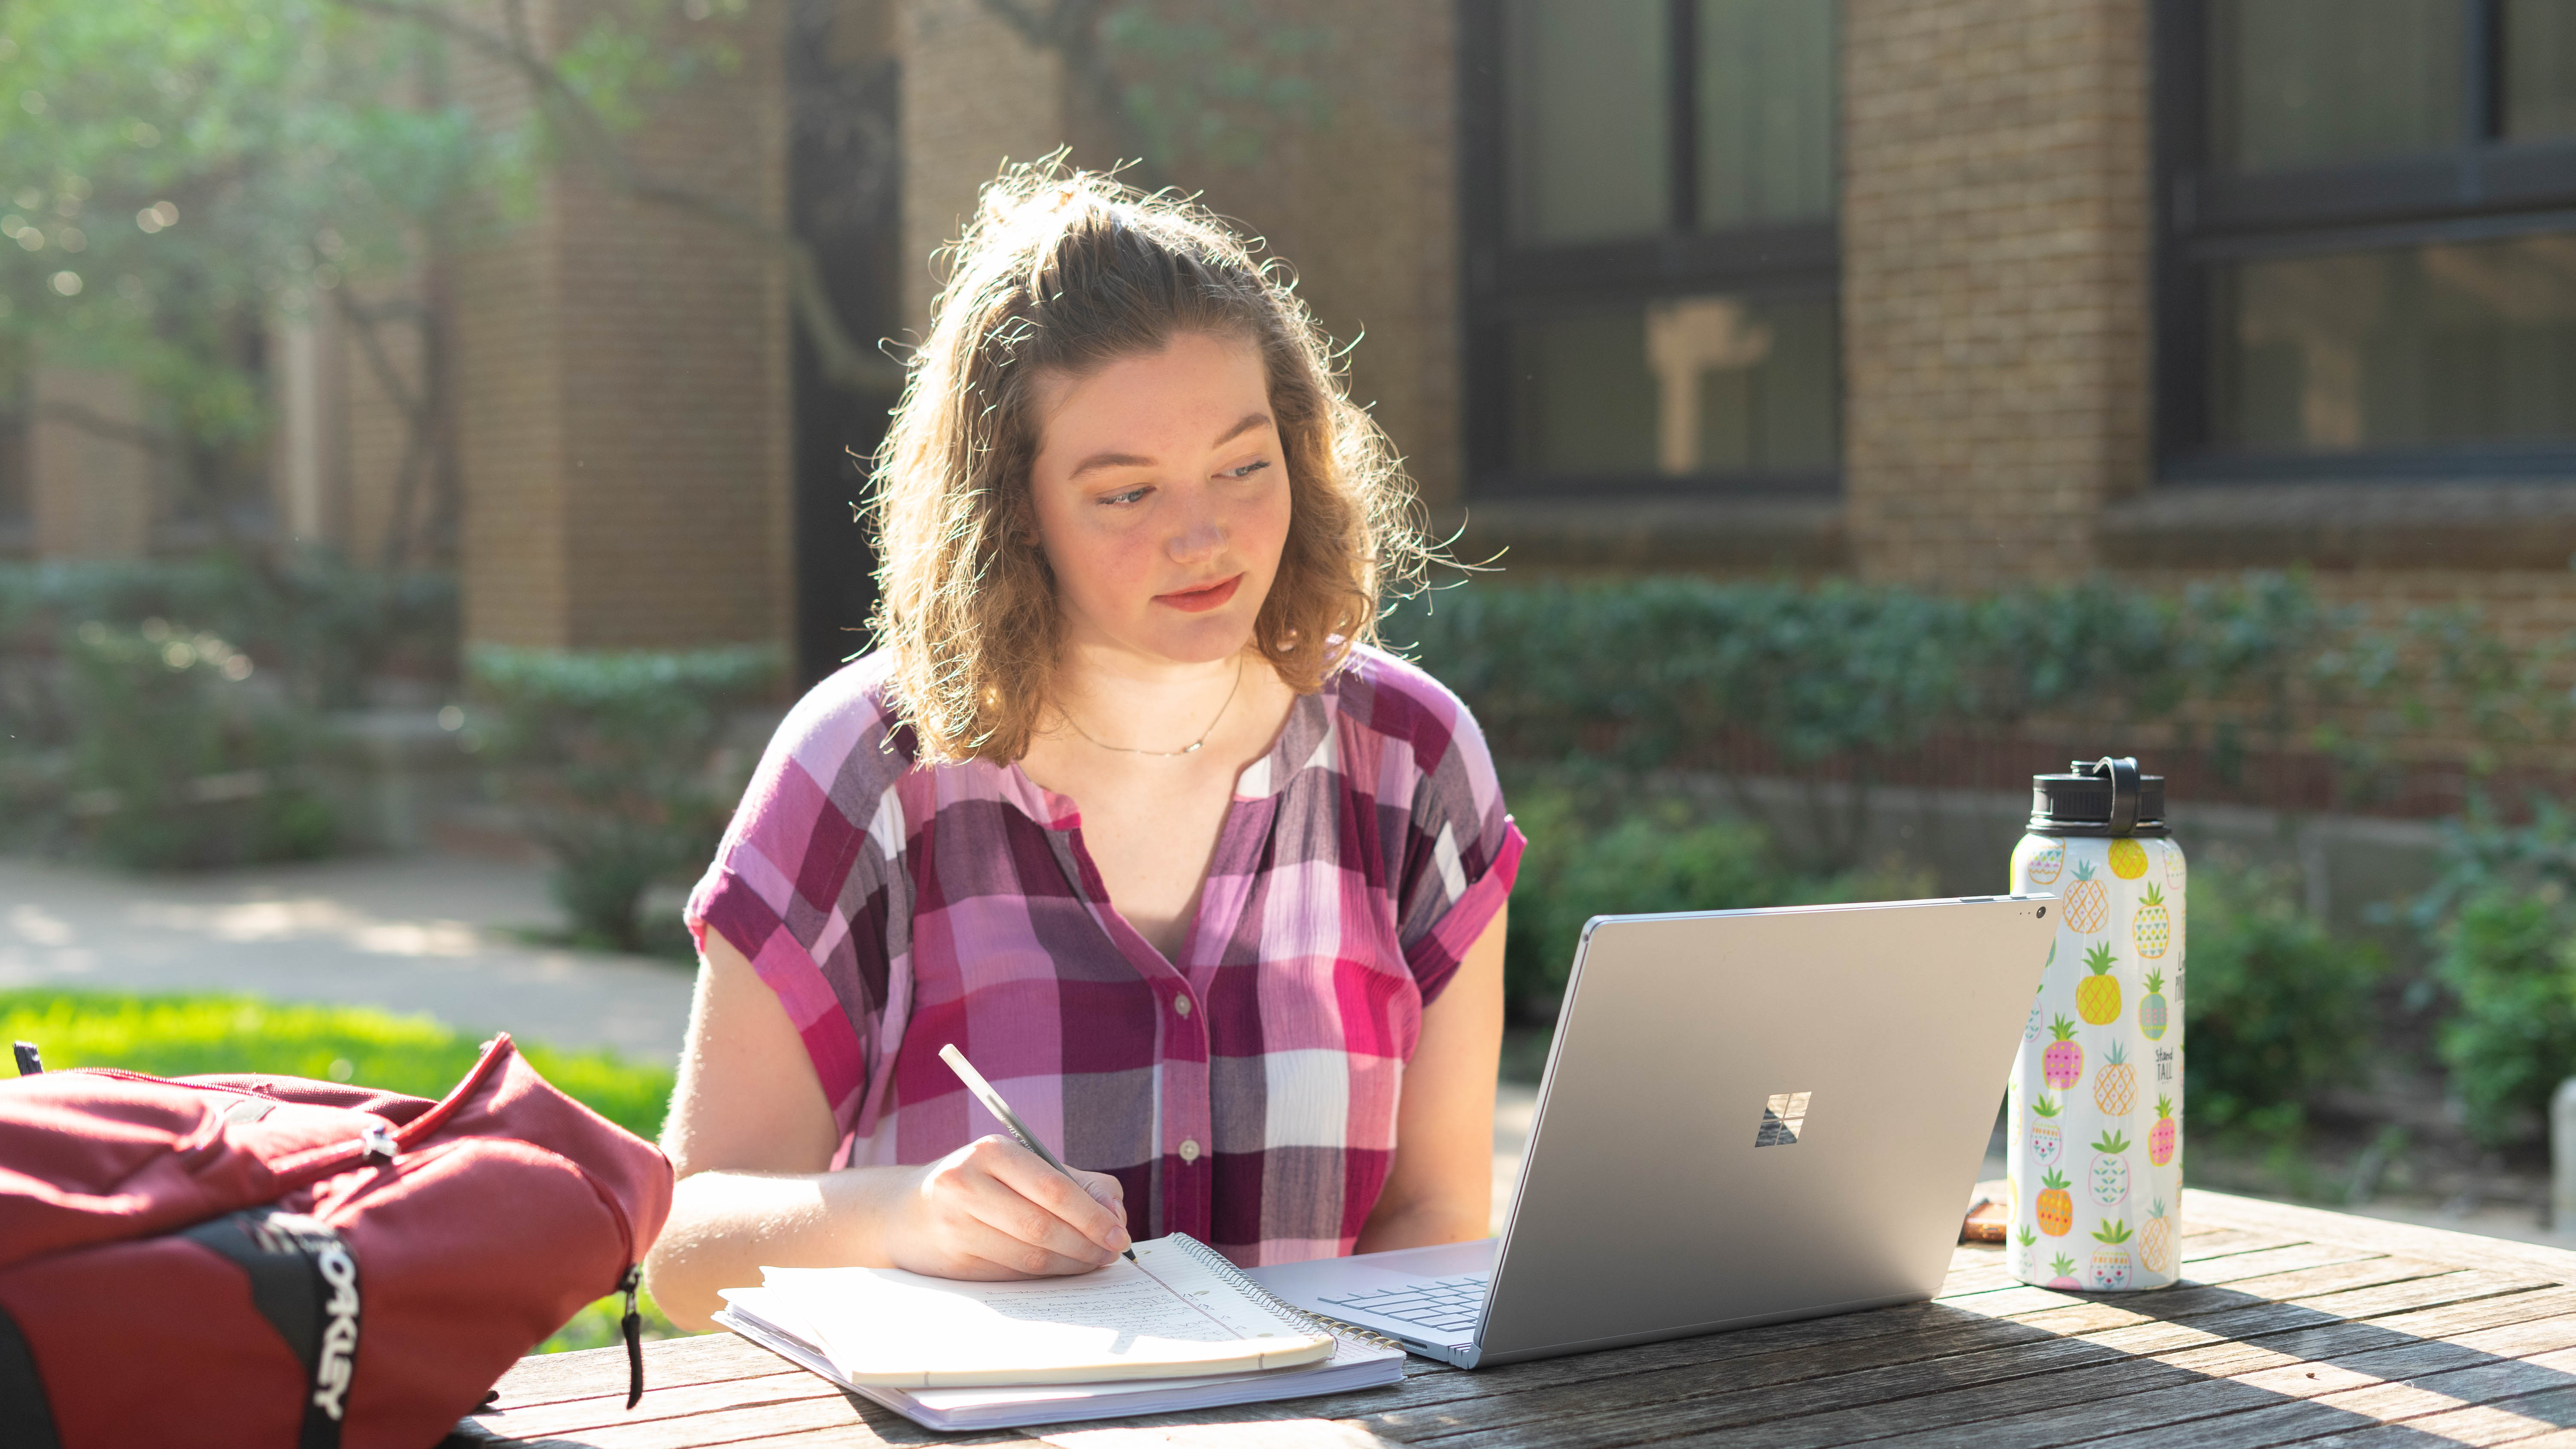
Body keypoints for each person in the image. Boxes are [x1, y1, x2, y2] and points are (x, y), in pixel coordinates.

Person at [643, 166, 1524, 1331]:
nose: (1203, 533)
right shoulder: (867, 769)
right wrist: (899, 1215)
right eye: (1125, 495)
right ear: (1014, 515)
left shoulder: (1413, 757)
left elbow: (1437, 1219)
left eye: (1245, 466)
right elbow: (681, 1246)